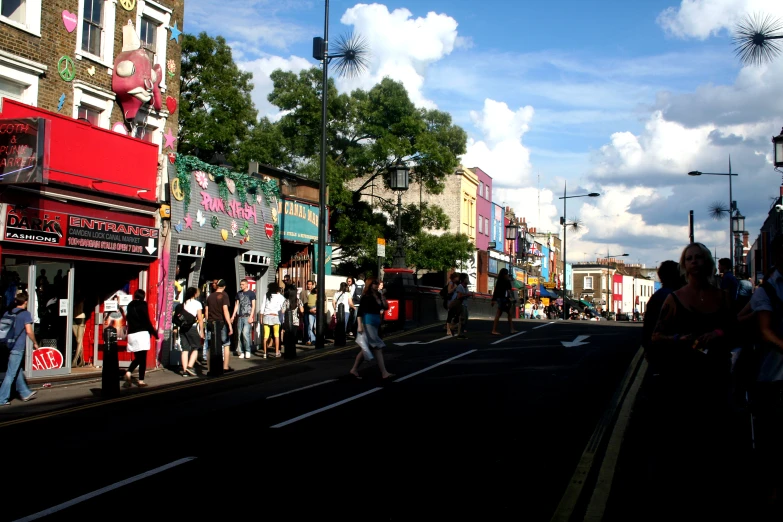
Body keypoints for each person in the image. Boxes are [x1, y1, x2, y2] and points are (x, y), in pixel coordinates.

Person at [349, 278, 393, 380]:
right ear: (369, 285)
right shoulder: (366, 297)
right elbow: (360, 312)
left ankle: (354, 369)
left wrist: (382, 296)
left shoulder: (378, 295)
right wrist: (360, 325)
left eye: (377, 283)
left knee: (366, 348)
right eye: (374, 283)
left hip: (376, 322)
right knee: (377, 346)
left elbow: (386, 307)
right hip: (367, 322)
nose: (377, 285)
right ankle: (384, 372)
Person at [0, 292, 38, 405]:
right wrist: (35, 343)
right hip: (18, 346)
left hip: (7, 345)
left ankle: (25, 392)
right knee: (10, 374)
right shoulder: (25, 314)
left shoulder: (8, 312)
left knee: (16, 369)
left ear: (16, 301)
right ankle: (2, 398)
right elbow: (29, 331)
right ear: (26, 302)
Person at [642, 260, 682, 359]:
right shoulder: (675, 295)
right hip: (672, 348)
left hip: (657, 346)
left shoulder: (657, 295)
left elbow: (649, 323)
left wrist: (647, 345)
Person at [123, 290, 158, 388]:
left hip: (132, 335)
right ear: (143, 296)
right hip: (141, 334)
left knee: (138, 357)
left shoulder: (129, 305)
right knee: (142, 359)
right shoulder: (143, 304)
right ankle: (140, 380)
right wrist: (155, 334)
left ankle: (129, 372)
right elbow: (146, 320)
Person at [205, 279, 234, 373]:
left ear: (217, 286)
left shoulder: (210, 297)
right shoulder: (224, 295)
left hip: (210, 322)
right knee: (226, 344)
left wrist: (208, 321)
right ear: (224, 287)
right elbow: (225, 310)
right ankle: (225, 367)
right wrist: (229, 324)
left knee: (210, 346)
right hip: (221, 323)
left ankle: (210, 368)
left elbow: (206, 312)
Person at [179, 287, 205, 377]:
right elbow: (200, 319)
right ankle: (190, 366)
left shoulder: (184, 303)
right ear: (194, 294)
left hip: (183, 328)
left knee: (185, 349)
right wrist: (202, 331)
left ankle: (184, 370)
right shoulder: (197, 303)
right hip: (192, 328)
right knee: (196, 347)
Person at [231, 279, 256, 359]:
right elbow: (237, 305)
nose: (241, 286)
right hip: (240, 316)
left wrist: (251, 316)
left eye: (242, 284)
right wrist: (233, 315)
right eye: (240, 284)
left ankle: (247, 351)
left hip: (247, 316)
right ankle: (241, 351)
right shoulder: (239, 293)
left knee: (245, 334)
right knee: (239, 334)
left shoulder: (251, 293)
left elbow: (253, 306)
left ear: (246, 285)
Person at [260, 283, 286, 358]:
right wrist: (282, 319)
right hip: (275, 317)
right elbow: (283, 308)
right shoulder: (280, 297)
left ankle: (265, 353)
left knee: (266, 336)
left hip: (266, 316)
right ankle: (277, 352)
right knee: (276, 335)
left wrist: (261, 318)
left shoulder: (267, 295)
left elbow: (262, 307)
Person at [491, 268, 517, 335]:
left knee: (506, 314)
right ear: (504, 274)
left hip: (503, 299)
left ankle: (511, 329)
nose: (508, 275)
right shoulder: (504, 281)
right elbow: (499, 290)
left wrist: (494, 299)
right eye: (507, 274)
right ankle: (495, 330)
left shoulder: (502, 281)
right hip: (503, 299)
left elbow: (507, 290)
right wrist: (493, 299)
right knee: (503, 313)